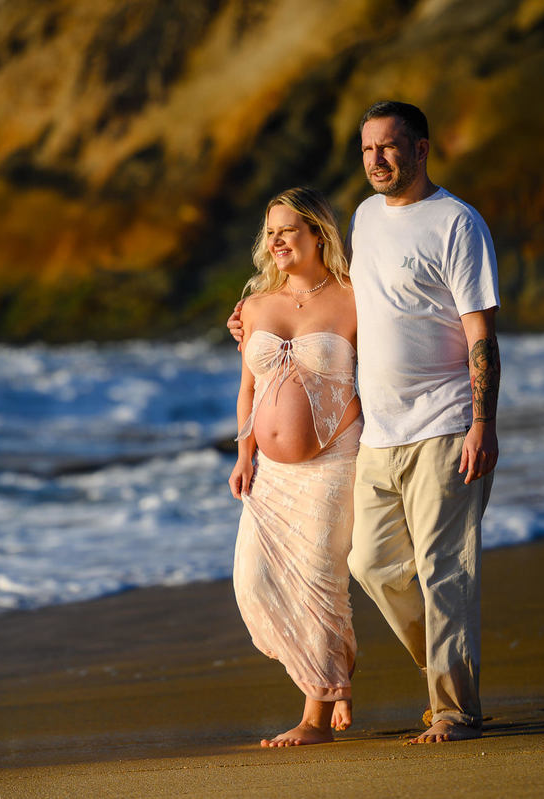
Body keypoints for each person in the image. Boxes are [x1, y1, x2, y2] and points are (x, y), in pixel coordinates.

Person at [228, 101, 500, 744]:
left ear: (422, 149)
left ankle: (453, 709)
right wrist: (250, 327)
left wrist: (483, 420)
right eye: (367, 149)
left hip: (441, 421)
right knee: (372, 566)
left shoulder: (457, 223)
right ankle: (440, 670)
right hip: (379, 433)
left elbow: (480, 332)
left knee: (442, 568)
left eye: (389, 147)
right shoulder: (366, 220)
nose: (376, 160)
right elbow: (285, 340)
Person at [229, 186, 362, 747]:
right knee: (253, 583)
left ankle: (315, 715)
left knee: (320, 578)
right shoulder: (256, 306)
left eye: (288, 229)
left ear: (317, 233)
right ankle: (332, 677)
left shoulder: (355, 298)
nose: (277, 239)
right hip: (271, 475)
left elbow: (384, 369)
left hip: (335, 457)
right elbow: (247, 388)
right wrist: (243, 450)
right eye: (271, 231)